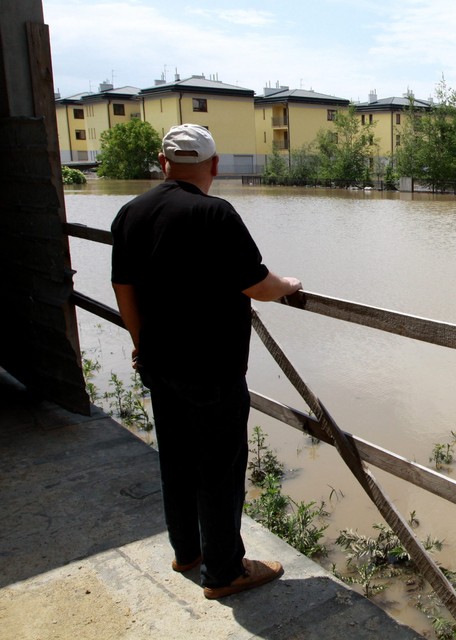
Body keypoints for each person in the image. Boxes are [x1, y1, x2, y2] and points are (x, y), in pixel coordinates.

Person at [111, 124, 302, 600]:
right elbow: (258, 285)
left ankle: (187, 552)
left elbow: (124, 288)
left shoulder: (131, 213)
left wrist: (141, 342)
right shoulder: (214, 214)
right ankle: (224, 571)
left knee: (175, 462)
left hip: (160, 364)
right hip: (212, 371)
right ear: (214, 166)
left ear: (162, 162)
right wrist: (289, 285)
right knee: (218, 470)